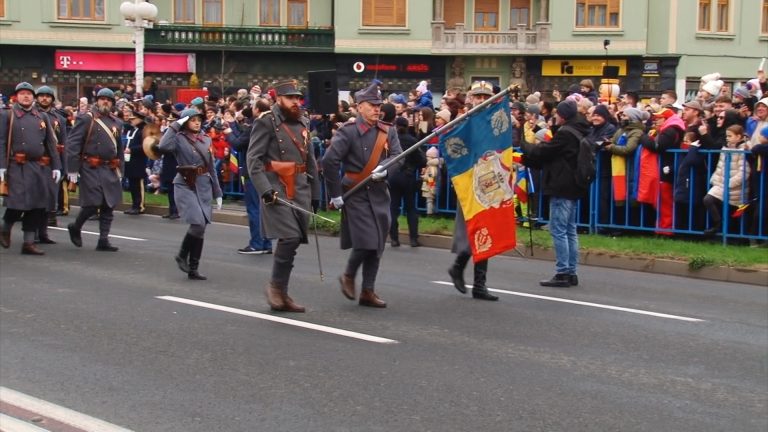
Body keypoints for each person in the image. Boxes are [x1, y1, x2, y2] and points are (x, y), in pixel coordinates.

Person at [323, 81, 403, 308]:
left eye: (379, 105)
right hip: (355, 192)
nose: (377, 109)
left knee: (377, 244)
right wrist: (335, 194)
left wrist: (386, 168)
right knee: (367, 239)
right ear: (359, 107)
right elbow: (329, 160)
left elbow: (398, 156)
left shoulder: (388, 131)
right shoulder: (348, 131)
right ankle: (348, 274)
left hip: (379, 192)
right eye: (372, 105)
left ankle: (368, 290)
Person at [247, 81, 320, 313]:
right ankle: (275, 288)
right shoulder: (266, 122)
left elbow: (310, 160)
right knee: (289, 237)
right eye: (290, 98)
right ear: (278, 99)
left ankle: (282, 291)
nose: (295, 102)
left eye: (298, 98)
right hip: (276, 187)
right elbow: (253, 159)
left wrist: (316, 193)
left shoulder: (304, 121)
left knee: (295, 240)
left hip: (300, 188)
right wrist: (265, 189)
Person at [520, 99, 590, 287]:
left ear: (563, 116)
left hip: (561, 185)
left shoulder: (566, 133)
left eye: (558, 113)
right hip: (572, 185)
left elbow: (546, 151)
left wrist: (524, 145)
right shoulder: (578, 130)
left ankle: (562, 272)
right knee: (570, 230)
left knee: (559, 230)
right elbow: (554, 151)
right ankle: (571, 272)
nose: (555, 116)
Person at [446, 80, 499, 301]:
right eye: (478, 96)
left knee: (486, 232)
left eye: (485, 97)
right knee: (471, 230)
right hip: (469, 181)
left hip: (490, 181)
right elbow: (454, 149)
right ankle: (458, 266)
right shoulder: (464, 122)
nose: (481, 100)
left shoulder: (495, 120)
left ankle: (479, 285)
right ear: (471, 98)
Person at [156, 108, 223, 280]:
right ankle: (181, 255)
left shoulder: (206, 138)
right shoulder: (178, 138)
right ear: (185, 122)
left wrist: (218, 192)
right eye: (192, 120)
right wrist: (174, 126)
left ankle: (194, 268)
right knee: (198, 223)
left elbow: (211, 167)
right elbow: (163, 146)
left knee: (201, 228)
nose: (197, 123)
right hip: (185, 184)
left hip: (204, 184)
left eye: (198, 120)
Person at [0, 82, 62, 254]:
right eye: (22, 93)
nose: (26, 96)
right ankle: (5, 227)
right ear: (16, 97)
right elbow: (1, 142)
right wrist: (2, 166)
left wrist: (56, 166)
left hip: (38, 165)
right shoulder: (7, 115)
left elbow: (50, 143)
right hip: (16, 165)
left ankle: (28, 243)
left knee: (37, 205)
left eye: (29, 94)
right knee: (18, 203)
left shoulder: (42, 117)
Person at [66, 88, 124, 252]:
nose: (105, 101)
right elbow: (73, 144)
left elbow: (119, 148)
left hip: (110, 167)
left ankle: (103, 240)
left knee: (109, 204)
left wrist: (121, 169)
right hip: (90, 166)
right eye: (102, 99)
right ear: (97, 101)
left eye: (109, 100)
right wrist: (72, 169)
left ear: (112, 103)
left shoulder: (117, 122)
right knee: (93, 203)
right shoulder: (86, 119)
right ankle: (76, 226)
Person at [234, 99, 273, 255]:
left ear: (257, 110)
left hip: (254, 172)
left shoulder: (258, 124)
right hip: (268, 171)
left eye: (253, 107)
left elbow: (239, 143)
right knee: (264, 209)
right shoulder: (272, 123)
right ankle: (266, 243)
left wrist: (229, 131)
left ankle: (257, 243)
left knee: (254, 209)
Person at [35, 85, 68, 238]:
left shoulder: (59, 119)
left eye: (48, 96)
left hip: (52, 161)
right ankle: (34, 232)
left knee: (50, 195)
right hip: (35, 161)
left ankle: (44, 231)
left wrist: (64, 166)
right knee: (36, 197)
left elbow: (64, 143)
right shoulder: (32, 115)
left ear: (52, 99)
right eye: (41, 96)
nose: (44, 98)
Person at [388, 116, 426, 247]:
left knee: (393, 207)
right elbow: (422, 160)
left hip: (392, 175)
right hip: (407, 176)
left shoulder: (391, 140)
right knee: (410, 208)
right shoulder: (412, 140)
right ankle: (413, 239)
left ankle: (394, 239)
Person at [122, 103, 148, 215]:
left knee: (138, 184)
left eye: (134, 119)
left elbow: (145, 146)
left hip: (139, 161)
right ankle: (134, 205)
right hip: (130, 160)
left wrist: (132, 150)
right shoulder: (131, 130)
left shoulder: (143, 131)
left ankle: (140, 205)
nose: (131, 120)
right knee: (132, 184)